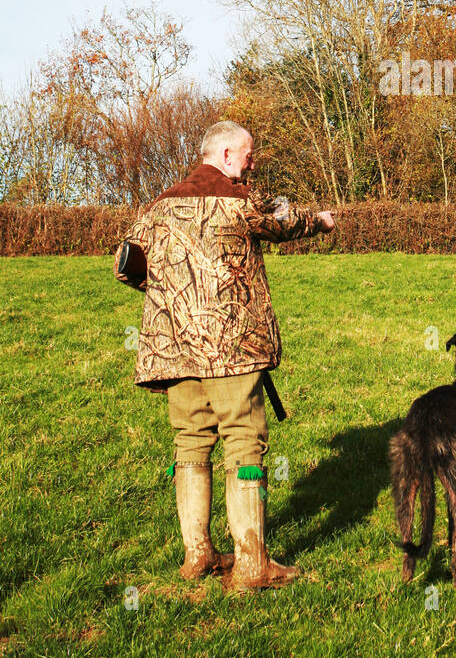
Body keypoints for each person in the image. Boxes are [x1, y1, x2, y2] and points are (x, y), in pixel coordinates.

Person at [114, 120, 335, 590]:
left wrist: (173, 299)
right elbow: (282, 223)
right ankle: (253, 566)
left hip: (174, 348)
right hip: (231, 348)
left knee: (190, 441)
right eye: (249, 154)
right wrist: (320, 220)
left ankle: (198, 556)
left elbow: (128, 264)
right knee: (243, 439)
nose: (253, 162)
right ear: (228, 153)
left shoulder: (158, 205)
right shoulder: (237, 199)